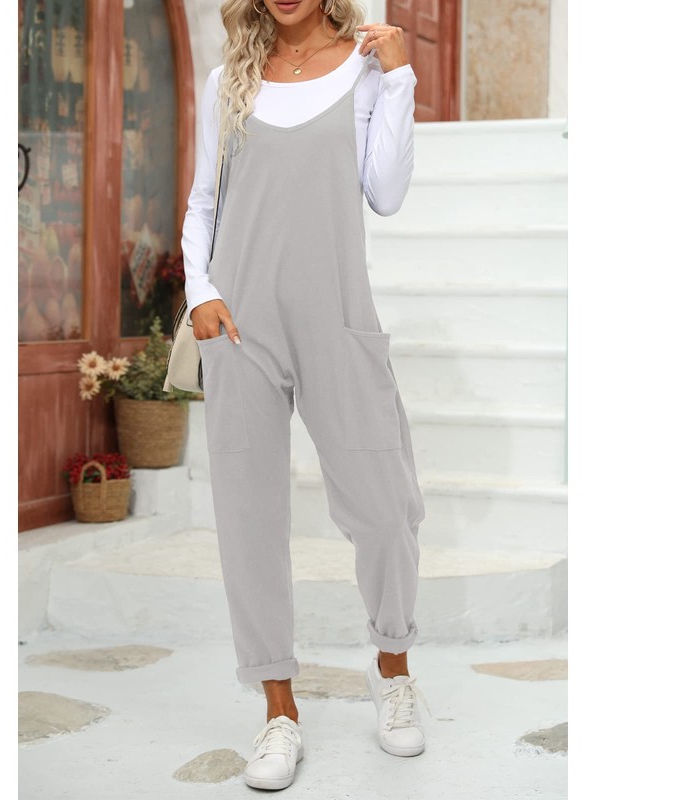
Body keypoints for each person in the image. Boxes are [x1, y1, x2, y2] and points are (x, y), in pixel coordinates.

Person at [181, 0, 427, 789]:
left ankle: (393, 670)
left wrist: (400, 79)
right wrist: (199, 291)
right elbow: (203, 201)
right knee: (248, 518)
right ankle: (278, 710)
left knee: (385, 507)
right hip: (238, 322)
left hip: (338, 314)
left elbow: (385, 193)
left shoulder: (367, 71)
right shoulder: (229, 80)